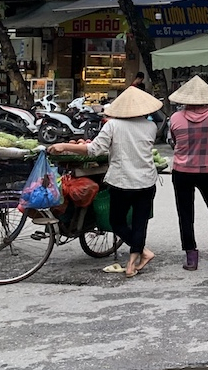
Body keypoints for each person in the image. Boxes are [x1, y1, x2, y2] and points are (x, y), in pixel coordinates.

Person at [51, 86, 161, 278]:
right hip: (146, 181)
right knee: (139, 223)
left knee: (117, 222)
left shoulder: (113, 125)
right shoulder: (150, 126)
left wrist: (63, 146)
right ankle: (132, 263)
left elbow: (94, 150)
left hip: (122, 181)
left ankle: (141, 254)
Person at [168, 75, 208, 271]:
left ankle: (191, 258)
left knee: (185, 213)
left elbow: (174, 142)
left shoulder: (175, 118)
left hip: (181, 171)